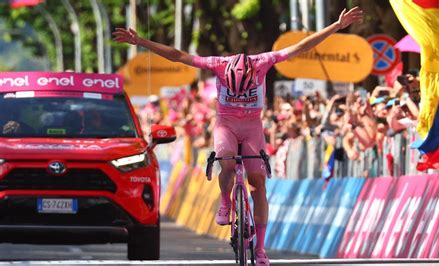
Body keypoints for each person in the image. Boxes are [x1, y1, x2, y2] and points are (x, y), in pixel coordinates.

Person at [113, 7, 363, 264]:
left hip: (253, 126)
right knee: (227, 162)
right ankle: (225, 201)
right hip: (227, 124)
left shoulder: (263, 61)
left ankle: (261, 249)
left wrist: (335, 25)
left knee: (258, 183)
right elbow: (178, 56)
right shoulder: (218, 65)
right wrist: (140, 41)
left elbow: (301, 46)